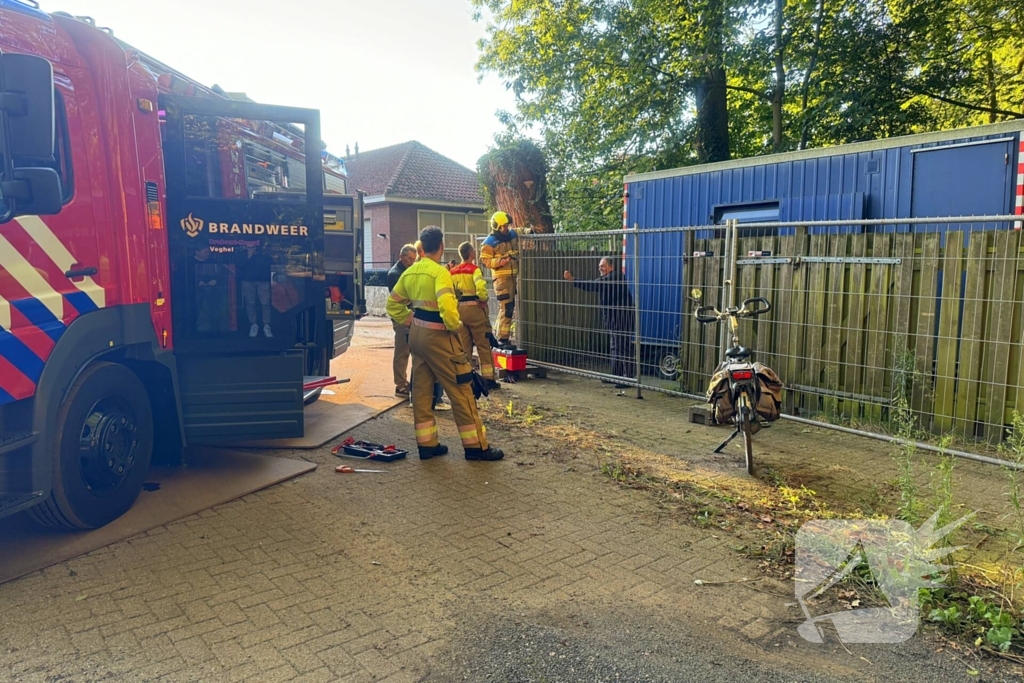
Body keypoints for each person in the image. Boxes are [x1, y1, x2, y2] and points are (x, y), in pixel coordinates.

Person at [387, 226, 504, 461]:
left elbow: (392, 305)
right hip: (440, 338)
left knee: (421, 390)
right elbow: (448, 311)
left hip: (418, 338)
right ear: (441, 246)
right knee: (461, 389)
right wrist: (454, 329)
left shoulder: (409, 272)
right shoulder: (440, 273)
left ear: (420, 247)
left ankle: (427, 445)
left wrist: (412, 321)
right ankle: (476, 447)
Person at [563, 257, 635, 388]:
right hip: (614, 320)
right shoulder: (606, 279)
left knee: (623, 347)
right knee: (615, 347)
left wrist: (574, 280)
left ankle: (628, 378)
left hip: (623, 319)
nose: (600, 269)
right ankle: (616, 375)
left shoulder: (616, 277)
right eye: (599, 266)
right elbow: (594, 284)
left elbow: (595, 285)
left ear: (611, 267)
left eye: (602, 266)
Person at [449, 241, 500, 391]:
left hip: (459, 311)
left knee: (465, 346)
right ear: (471, 254)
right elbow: (481, 289)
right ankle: (489, 379)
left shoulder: (453, 272)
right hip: (475, 310)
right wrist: (482, 299)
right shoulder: (475, 270)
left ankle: (467, 378)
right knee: (483, 345)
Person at [479, 211, 531, 348]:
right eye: (503, 226)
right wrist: (499, 262)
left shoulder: (512, 234)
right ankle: (502, 339)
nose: (506, 229)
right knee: (507, 308)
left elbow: (519, 231)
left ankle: (499, 336)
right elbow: (485, 261)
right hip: (502, 279)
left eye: (507, 226)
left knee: (509, 307)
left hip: (513, 277)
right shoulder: (489, 243)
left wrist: (529, 230)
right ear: (496, 226)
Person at [387, 244, 418, 396]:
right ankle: (400, 385)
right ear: (401, 257)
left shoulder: (405, 271)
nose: (411, 262)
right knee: (402, 350)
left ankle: (406, 383)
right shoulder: (396, 274)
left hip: (407, 314)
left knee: (408, 350)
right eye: (409, 259)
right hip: (401, 316)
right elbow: (403, 298)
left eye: (414, 259)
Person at [241, 244, 274, 338]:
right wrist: (248, 257)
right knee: (250, 303)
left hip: (263, 281)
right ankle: (253, 325)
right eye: (249, 246)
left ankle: (266, 325)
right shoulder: (242, 254)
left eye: (253, 246)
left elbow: (270, 263)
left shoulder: (263, 254)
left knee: (265, 303)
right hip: (247, 281)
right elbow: (239, 266)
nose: (251, 248)